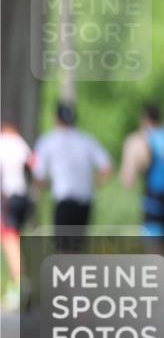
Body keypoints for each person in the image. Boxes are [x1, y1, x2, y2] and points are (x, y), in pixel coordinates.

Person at [33, 102, 112, 239]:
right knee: (77, 248)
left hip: (63, 201)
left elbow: (39, 176)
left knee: (63, 249)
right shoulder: (87, 140)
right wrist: (95, 182)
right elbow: (107, 168)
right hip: (85, 201)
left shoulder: (48, 141)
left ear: (56, 118)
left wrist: (47, 186)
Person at [121, 103, 164, 239]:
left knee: (154, 243)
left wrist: (128, 181)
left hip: (154, 195)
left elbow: (129, 175)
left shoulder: (140, 138)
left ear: (144, 119)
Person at [0, 122, 34, 309]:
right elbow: (32, 166)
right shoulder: (20, 142)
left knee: (9, 240)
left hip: (7, 197)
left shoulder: (3, 142)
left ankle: (19, 285)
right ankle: (21, 282)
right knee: (17, 240)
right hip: (23, 196)